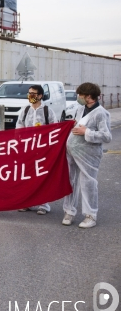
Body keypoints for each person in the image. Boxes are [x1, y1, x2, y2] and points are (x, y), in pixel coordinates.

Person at [62, 82, 111, 228]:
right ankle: (69, 211)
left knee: (87, 183)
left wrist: (87, 132)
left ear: (89, 96)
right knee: (70, 181)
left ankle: (91, 215)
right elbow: (78, 125)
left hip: (89, 155)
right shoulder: (81, 108)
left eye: (81, 95)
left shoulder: (101, 113)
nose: (78, 97)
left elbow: (107, 136)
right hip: (73, 152)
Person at [15, 85, 57, 215]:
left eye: (33, 93)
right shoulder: (25, 110)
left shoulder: (47, 111)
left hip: (42, 149)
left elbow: (54, 128)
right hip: (27, 149)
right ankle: (27, 202)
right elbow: (19, 126)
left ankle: (43, 204)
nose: (30, 96)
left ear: (40, 96)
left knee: (41, 175)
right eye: (29, 93)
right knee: (27, 175)